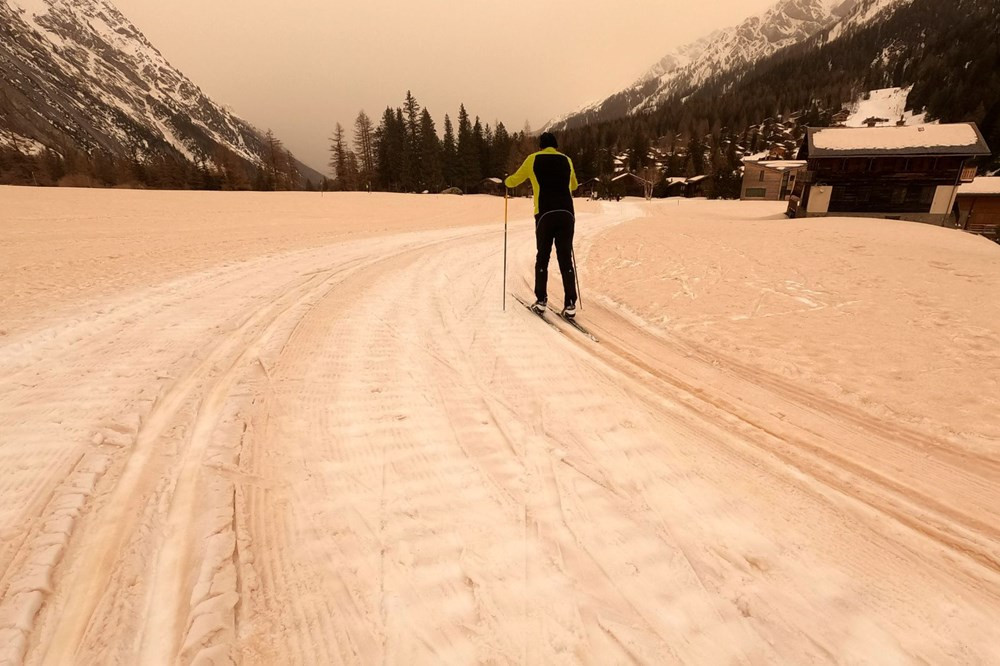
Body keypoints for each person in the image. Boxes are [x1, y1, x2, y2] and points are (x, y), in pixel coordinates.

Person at [505, 132, 579, 318]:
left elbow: (515, 180)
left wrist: (506, 181)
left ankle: (541, 301)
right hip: (566, 213)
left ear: (540, 146)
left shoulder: (533, 159)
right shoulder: (566, 160)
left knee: (543, 257)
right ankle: (570, 303)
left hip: (545, 213)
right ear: (555, 146)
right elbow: (575, 185)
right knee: (565, 258)